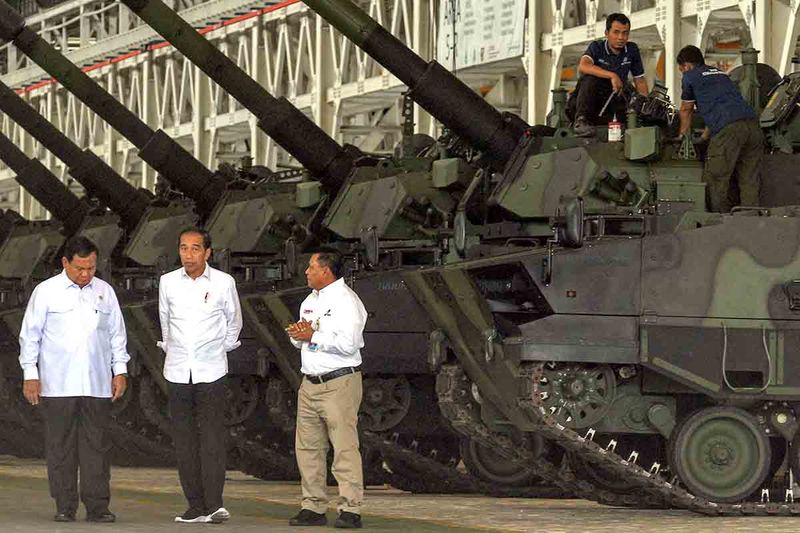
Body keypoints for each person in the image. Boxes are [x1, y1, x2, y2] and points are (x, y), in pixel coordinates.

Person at [18, 236, 129, 523]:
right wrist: (31, 375)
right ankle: (65, 506)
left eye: (91, 268)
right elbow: (30, 337)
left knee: (97, 448)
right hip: (57, 384)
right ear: (65, 262)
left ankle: (97, 507)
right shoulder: (45, 292)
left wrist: (120, 371)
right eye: (80, 268)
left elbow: (117, 335)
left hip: (97, 383)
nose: (85, 274)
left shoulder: (105, 292)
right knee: (60, 447)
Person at [157, 227, 242, 524]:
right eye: (183, 248)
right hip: (178, 371)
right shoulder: (167, 283)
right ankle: (194, 505)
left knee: (212, 439)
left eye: (195, 249)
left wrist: (217, 350)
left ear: (207, 253)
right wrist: (174, 350)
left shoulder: (223, 283)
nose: (188, 255)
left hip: (212, 371)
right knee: (184, 441)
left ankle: (214, 505)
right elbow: (165, 323)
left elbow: (234, 324)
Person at [286, 248, 367, 529]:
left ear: (326, 271)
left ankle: (350, 509)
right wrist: (299, 336)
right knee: (308, 449)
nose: (306, 272)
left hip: (339, 383)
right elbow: (306, 338)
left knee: (344, 448)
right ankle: (313, 506)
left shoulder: (348, 302)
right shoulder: (309, 301)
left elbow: (350, 344)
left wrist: (313, 336)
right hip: (309, 383)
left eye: (311, 267)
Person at [677, 45, 764, 213]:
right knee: (749, 180)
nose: (683, 72)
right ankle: (751, 223)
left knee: (715, 180)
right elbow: (721, 107)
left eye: (681, 69)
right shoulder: (721, 75)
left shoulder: (690, 77)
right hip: (753, 128)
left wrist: (682, 137)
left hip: (729, 132)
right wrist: (704, 137)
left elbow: (686, 110)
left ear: (686, 66)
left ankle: (718, 224)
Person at [570, 13, 649, 137]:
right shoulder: (597, 47)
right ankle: (581, 121)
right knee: (589, 78)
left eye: (625, 33)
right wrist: (612, 75)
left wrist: (645, 106)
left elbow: (640, 81)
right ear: (607, 33)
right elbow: (583, 66)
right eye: (616, 32)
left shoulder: (632, 50)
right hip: (591, 101)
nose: (621, 37)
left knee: (631, 93)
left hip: (614, 100)